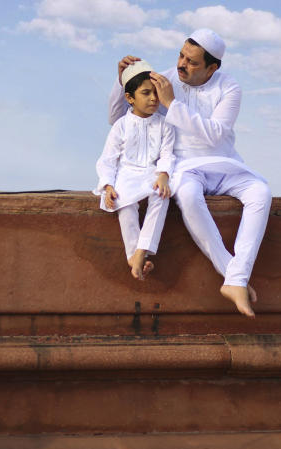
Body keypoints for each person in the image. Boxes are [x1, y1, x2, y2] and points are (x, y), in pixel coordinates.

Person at [109, 29, 272, 317]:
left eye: (192, 62)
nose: (182, 64)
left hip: (224, 163)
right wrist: (119, 80)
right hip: (183, 167)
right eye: (181, 55)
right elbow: (121, 122)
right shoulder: (164, 78)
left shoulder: (229, 87)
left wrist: (171, 103)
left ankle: (235, 280)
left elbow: (215, 136)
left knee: (261, 192)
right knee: (187, 195)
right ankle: (234, 278)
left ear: (212, 67)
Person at [95, 60, 175, 280]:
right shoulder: (121, 125)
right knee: (125, 204)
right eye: (146, 93)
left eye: (156, 93)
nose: (153, 98)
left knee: (161, 196)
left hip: (152, 174)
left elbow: (168, 154)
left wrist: (163, 175)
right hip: (126, 175)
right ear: (130, 98)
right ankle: (132, 255)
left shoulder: (165, 124)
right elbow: (108, 159)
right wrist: (108, 185)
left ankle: (143, 250)